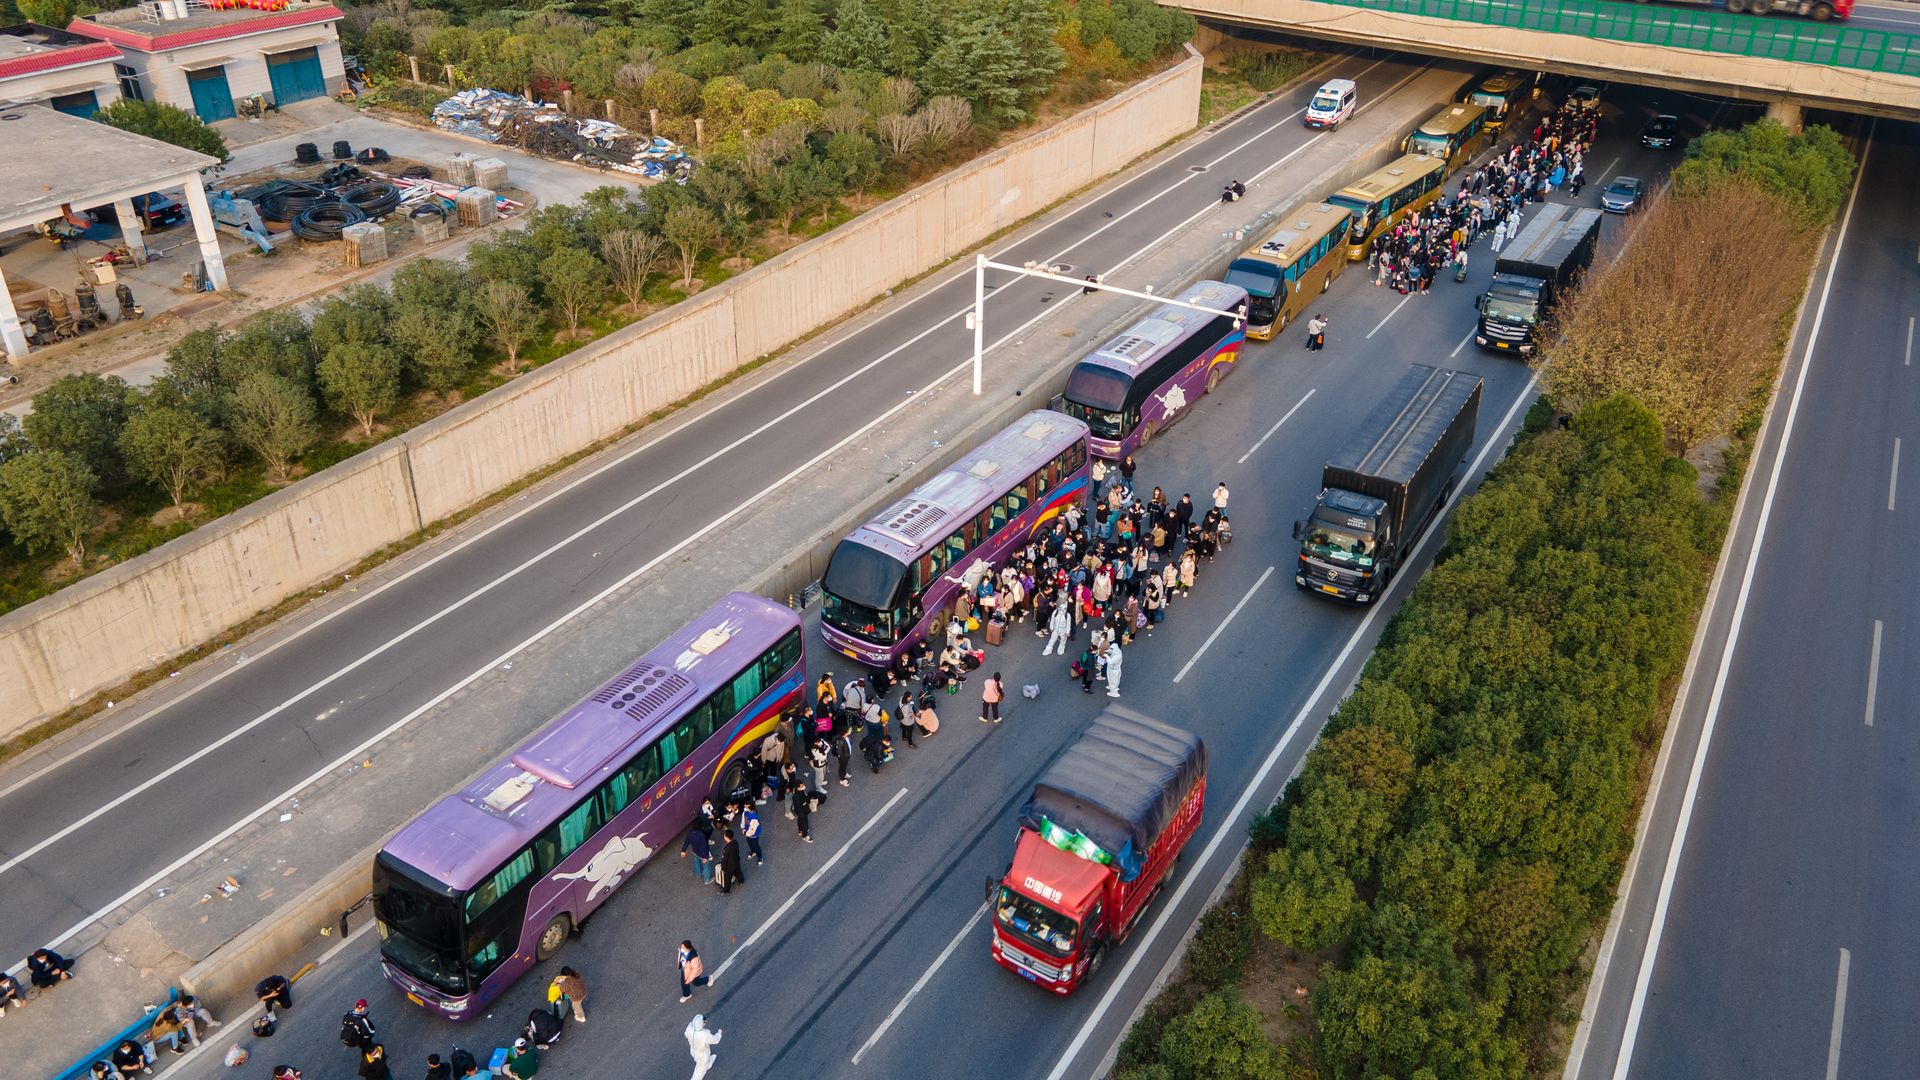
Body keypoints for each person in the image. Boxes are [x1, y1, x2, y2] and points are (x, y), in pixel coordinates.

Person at [685, 1014, 723, 1080]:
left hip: (693, 1050)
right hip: (702, 1056)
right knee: (699, 1073)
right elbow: (715, 1040)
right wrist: (719, 1033)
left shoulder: (689, 1028)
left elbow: (686, 1034)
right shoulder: (704, 1034)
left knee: (702, 1061)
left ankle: (708, 1064)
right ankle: (705, 1066)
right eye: (703, 1021)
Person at [717, 826, 746, 895]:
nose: (724, 836)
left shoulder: (726, 849)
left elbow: (725, 859)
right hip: (736, 860)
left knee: (727, 878)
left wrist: (723, 868)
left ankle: (726, 891)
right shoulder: (735, 842)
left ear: (727, 838)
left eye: (724, 835)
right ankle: (741, 880)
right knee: (738, 871)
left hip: (729, 866)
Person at [790, 778, 814, 843]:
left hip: (800, 811)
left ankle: (800, 830)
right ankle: (805, 835)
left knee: (800, 820)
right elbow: (799, 806)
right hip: (802, 811)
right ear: (798, 787)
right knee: (804, 823)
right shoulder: (796, 796)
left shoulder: (799, 792)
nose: (803, 786)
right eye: (802, 786)